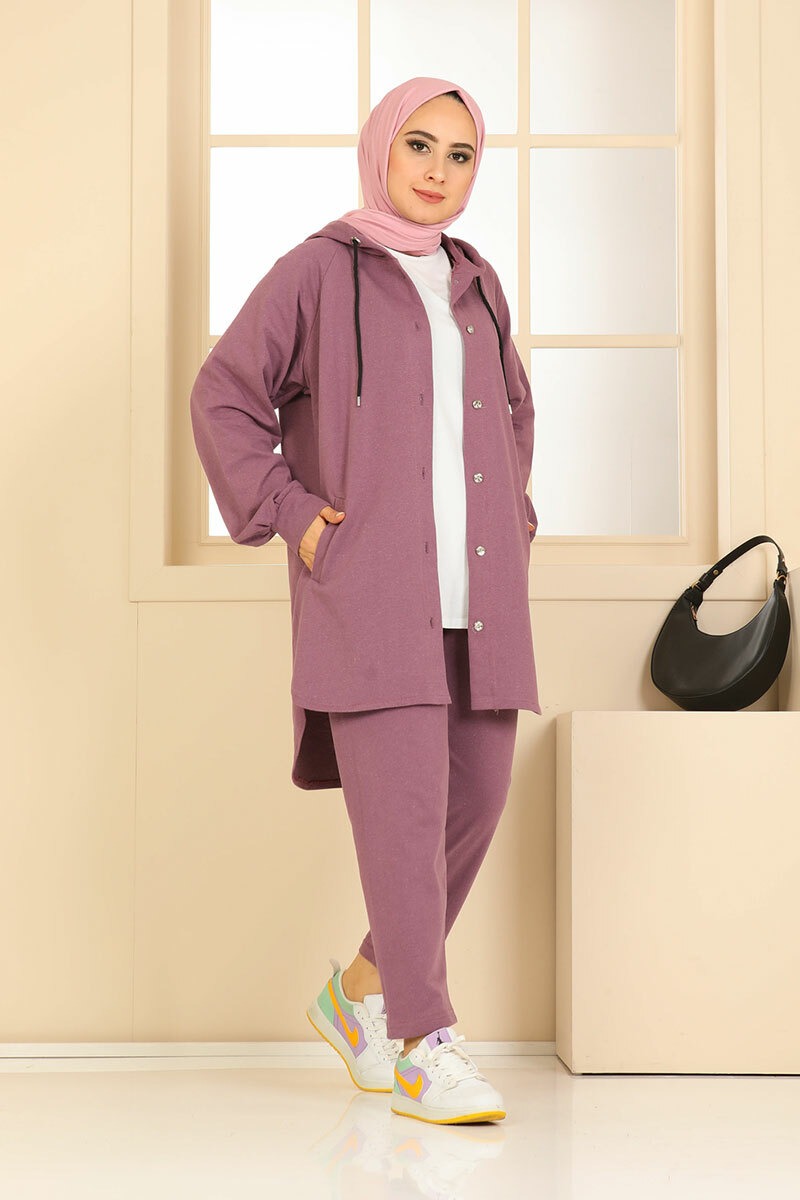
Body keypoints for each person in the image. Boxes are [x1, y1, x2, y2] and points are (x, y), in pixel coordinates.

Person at [190, 76, 540, 1125]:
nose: (437, 170)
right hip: (372, 593)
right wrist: (292, 516)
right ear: (381, 149)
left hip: (479, 596)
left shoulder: (475, 283)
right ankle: (424, 1046)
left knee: (472, 806)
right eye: (419, 145)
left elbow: (513, 413)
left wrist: (513, 514)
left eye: (459, 154)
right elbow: (223, 395)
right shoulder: (316, 271)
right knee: (401, 824)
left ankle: (358, 996)